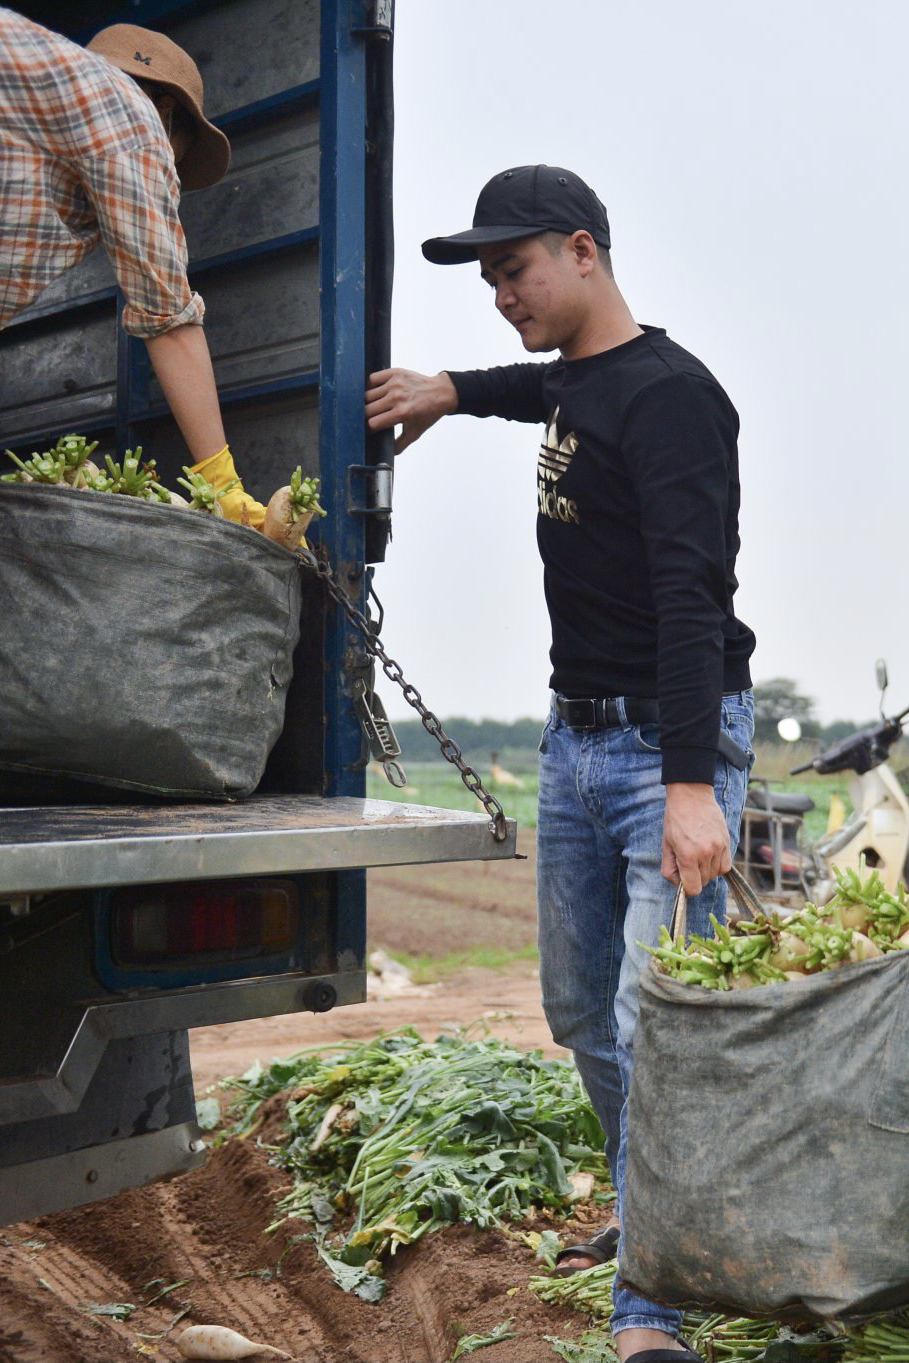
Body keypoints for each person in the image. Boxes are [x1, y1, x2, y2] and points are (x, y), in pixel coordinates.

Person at [364, 165, 755, 1363]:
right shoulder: (584, 383)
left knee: (655, 1028)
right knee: (581, 1009)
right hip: (572, 743)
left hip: (663, 754)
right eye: (486, 278)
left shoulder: (677, 399)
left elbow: (694, 598)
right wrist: (448, 390)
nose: (498, 293)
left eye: (515, 269)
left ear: (584, 251)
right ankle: (652, 1211)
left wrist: (692, 784)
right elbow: (544, 387)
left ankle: (654, 1308)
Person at [0, 1, 256, 519]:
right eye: (178, 158)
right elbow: (168, 318)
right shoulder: (129, 113)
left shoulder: (15, 101)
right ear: (167, 113)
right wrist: (222, 481)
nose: (171, 173)